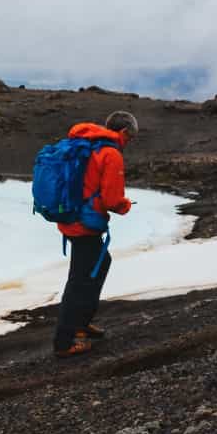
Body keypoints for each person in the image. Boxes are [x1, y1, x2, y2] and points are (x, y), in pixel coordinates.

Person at [53, 111, 136, 358]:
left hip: (70, 217)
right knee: (81, 279)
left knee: (96, 266)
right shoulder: (110, 154)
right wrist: (126, 205)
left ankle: (81, 322)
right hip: (84, 223)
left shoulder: (86, 145)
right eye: (130, 137)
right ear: (123, 132)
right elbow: (112, 200)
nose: (128, 142)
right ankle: (65, 340)